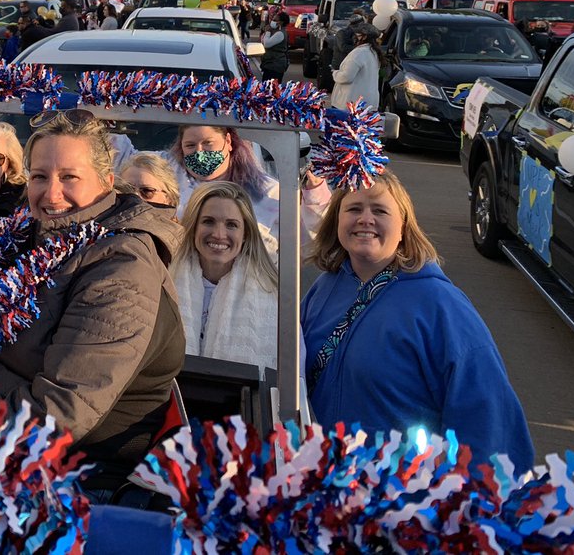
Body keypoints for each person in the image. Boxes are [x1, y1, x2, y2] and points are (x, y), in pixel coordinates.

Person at [0, 111, 185, 493]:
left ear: (107, 183)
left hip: (80, 477)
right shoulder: (31, 239)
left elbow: (56, 415)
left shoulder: (122, 267)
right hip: (11, 440)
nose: (51, 194)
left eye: (69, 177)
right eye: (39, 177)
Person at [302, 172, 533, 473]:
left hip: (405, 497)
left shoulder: (440, 304)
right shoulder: (325, 287)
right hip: (328, 482)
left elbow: (486, 411)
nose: (365, 219)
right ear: (337, 220)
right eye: (354, 209)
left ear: (403, 228)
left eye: (380, 211)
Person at [113, 123, 329, 251]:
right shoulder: (163, 172)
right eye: (190, 145)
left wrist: (315, 198)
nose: (199, 152)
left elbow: (305, 241)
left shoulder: (265, 191)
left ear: (228, 141)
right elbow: (118, 158)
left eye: (208, 143)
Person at [171, 181, 278, 369]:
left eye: (231, 225)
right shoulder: (163, 282)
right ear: (193, 226)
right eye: (208, 222)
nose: (219, 234)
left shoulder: (274, 296)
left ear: (245, 233)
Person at [330, 22, 381, 109]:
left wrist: (335, 73)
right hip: (369, 103)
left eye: (357, 34)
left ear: (364, 37)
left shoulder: (359, 53)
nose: (355, 37)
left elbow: (346, 77)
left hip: (351, 104)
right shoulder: (374, 53)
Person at [259, 12, 289, 82]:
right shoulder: (275, 31)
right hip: (270, 64)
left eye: (275, 20)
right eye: (273, 19)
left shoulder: (280, 33)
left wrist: (268, 32)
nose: (272, 22)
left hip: (275, 65)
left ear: (281, 22)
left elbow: (266, 44)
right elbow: (263, 40)